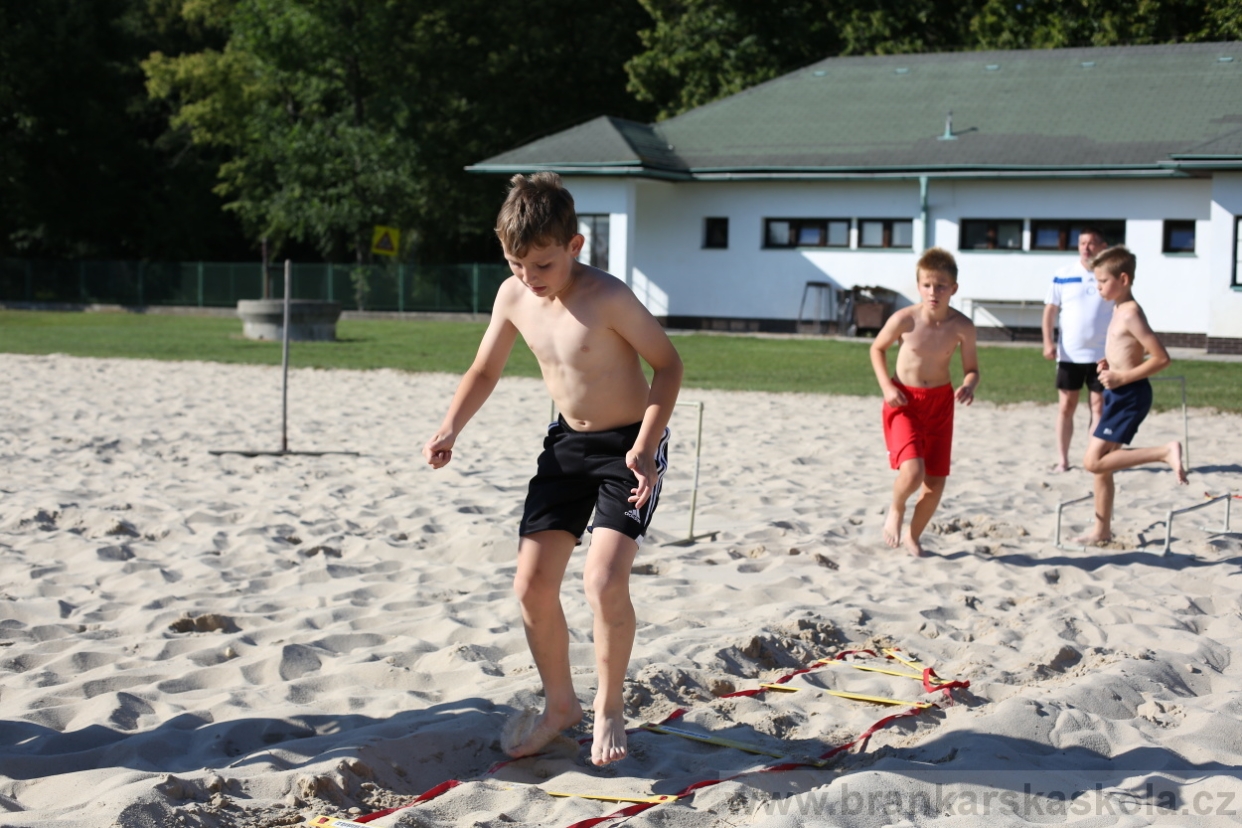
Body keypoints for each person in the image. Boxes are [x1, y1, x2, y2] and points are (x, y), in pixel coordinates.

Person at [422, 172, 683, 766]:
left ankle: (610, 706)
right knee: (531, 585)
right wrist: (450, 426)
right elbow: (484, 370)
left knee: (601, 581)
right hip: (566, 448)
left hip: (629, 450)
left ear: (574, 246)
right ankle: (560, 706)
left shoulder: (610, 297)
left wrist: (645, 443)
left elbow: (668, 367)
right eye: (515, 264)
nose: (527, 278)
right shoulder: (514, 295)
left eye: (541, 265)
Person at [869, 248, 979, 557]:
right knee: (913, 472)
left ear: (953, 288)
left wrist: (969, 385)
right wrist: (886, 387)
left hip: (940, 404)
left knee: (935, 483)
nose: (934, 292)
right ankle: (896, 507)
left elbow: (972, 369)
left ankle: (913, 536)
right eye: (928, 285)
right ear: (919, 285)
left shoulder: (962, 327)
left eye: (941, 286)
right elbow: (877, 349)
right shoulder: (904, 319)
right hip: (904, 400)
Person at [1078, 246, 1187, 544]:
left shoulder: (1131, 313)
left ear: (1123, 279)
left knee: (1093, 461)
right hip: (1118, 392)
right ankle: (1101, 531)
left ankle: (1164, 452)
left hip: (1130, 395)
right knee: (1103, 464)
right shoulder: (1117, 308)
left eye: (1102, 281)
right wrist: (1108, 363)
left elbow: (1161, 358)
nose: (1098, 287)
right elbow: (1126, 350)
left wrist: (1122, 375)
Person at [1041, 227, 1113, 472]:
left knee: (1098, 407)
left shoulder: (1108, 275)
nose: (1086, 247)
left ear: (1102, 246)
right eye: (1082, 242)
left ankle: (1093, 457)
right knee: (1066, 407)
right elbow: (1050, 310)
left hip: (1102, 356)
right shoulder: (1063, 274)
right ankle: (1063, 460)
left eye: (1092, 243)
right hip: (1069, 354)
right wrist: (1048, 342)